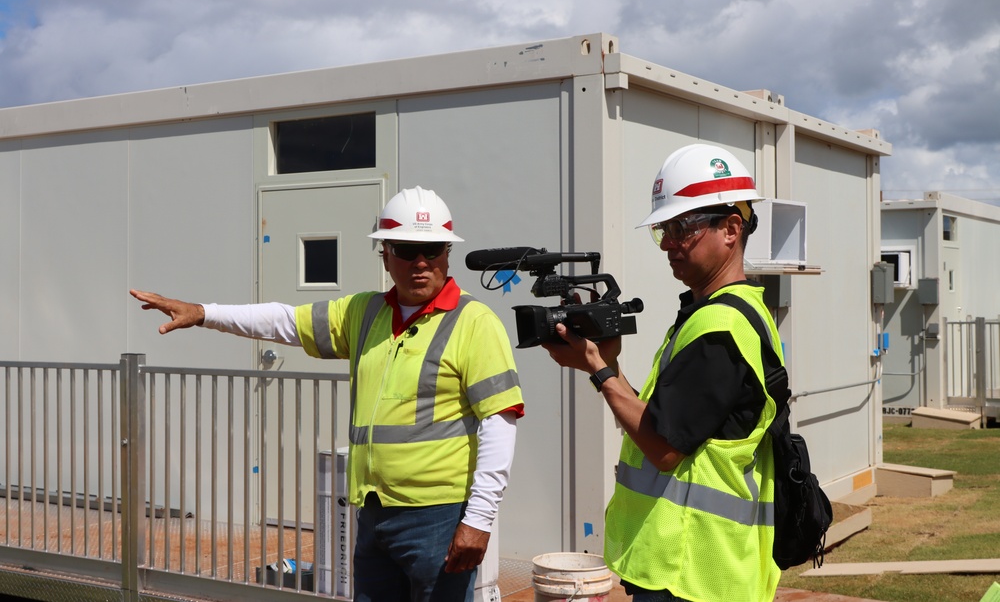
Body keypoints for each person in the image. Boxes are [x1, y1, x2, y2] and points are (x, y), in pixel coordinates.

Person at [131, 186, 524, 602]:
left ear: (448, 252)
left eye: (434, 249)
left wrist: (479, 519)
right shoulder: (365, 312)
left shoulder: (475, 322)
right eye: (408, 250)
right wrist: (203, 313)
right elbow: (285, 320)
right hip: (373, 512)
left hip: (437, 517)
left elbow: (500, 422)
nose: (422, 262)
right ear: (385, 254)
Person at [542, 144, 782, 601]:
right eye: (663, 230)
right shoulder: (723, 314)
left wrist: (596, 369)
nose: (669, 243)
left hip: (692, 571)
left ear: (732, 229)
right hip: (695, 569)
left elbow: (665, 450)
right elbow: (662, 421)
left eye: (683, 227)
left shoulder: (720, 328)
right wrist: (608, 365)